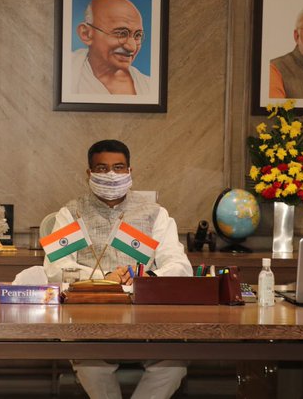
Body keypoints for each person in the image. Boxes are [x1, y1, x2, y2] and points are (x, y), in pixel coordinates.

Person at [43, 139, 192, 399]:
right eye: (102, 168)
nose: (111, 174)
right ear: (89, 173)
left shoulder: (155, 214)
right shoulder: (71, 213)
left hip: (147, 316)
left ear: (130, 171)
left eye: (119, 167)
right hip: (90, 314)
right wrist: (105, 279)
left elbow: (180, 266)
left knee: (174, 362)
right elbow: (56, 268)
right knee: (90, 364)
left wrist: (145, 278)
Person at [71, 0, 151, 95]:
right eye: (121, 33)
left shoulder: (148, 86)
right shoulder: (68, 72)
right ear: (86, 34)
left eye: (138, 35)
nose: (132, 47)